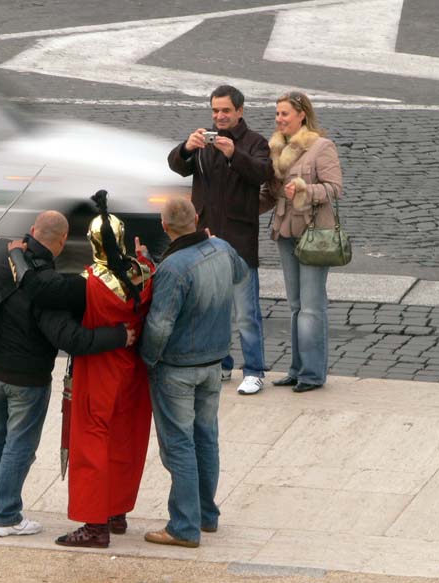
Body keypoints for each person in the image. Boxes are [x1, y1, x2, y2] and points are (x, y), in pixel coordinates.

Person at [0, 210, 134, 538]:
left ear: (32, 231)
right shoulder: (50, 286)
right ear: (61, 241)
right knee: (19, 444)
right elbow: (71, 339)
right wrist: (120, 336)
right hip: (27, 377)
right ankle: (5, 516)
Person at [9, 191, 154, 549]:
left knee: (91, 443)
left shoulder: (87, 285)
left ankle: (95, 524)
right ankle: (117, 512)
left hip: (99, 371)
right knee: (125, 440)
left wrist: (16, 253)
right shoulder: (145, 272)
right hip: (133, 371)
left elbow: (38, 287)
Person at [140, 197, 247, 549]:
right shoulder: (222, 248)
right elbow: (242, 273)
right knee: (206, 438)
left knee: (180, 446)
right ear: (197, 218)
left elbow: (159, 326)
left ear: (164, 225)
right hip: (214, 363)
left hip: (178, 369)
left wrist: (148, 360)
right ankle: (206, 514)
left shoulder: (173, 267)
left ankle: (184, 526)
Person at [167, 85, 273, 395]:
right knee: (212, 309)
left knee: (246, 311)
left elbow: (262, 173)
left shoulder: (255, 143)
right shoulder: (204, 141)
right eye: (215, 110)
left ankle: (254, 370)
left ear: (240, 111)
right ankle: (221, 364)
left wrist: (234, 155)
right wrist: (187, 147)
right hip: (206, 238)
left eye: (225, 110)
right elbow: (176, 165)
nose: (219, 116)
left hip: (239, 239)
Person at [259, 91, 343, 393]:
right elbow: (270, 194)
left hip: (314, 234)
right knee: (295, 306)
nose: (279, 119)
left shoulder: (321, 147)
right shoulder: (274, 149)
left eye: (285, 114)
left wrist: (306, 189)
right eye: (277, 114)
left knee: (311, 306)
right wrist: (239, 207)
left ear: (302, 115)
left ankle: (312, 373)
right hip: (285, 232)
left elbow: (334, 188)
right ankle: (296, 369)